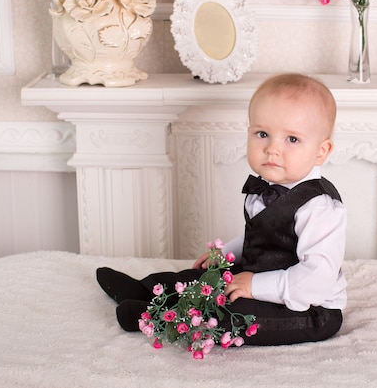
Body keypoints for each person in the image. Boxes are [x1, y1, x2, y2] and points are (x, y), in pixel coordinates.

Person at [96, 73, 347, 346]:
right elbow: (261, 237)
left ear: (322, 151)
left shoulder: (320, 207)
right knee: (202, 279)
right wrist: (227, 254)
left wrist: (255, 286)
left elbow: (317, 277)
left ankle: (157, 316)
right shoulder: (263, 188)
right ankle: (147, 289)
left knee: (234, 314)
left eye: (292, 139)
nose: (272, 149)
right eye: (262, 134)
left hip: (307, 308)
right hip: (261, 275)